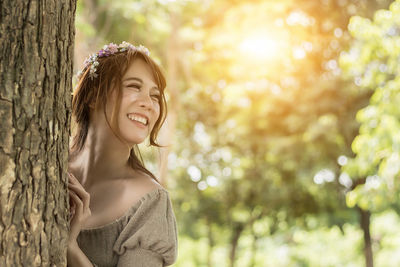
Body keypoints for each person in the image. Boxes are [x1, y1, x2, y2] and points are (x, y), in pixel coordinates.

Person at [66, 42, 177, 267]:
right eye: (134, 86)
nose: (148, 104)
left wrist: (70, 249)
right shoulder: (46, 167)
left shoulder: (149, 203)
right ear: (93, 95)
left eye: (155, 96)